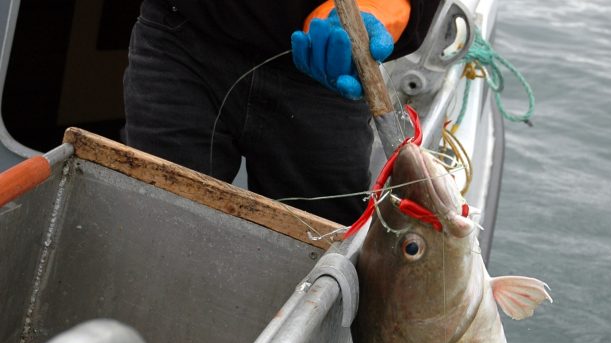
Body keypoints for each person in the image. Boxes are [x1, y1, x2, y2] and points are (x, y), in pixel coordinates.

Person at [123, 0, 440, 225]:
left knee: (321, 249)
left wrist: (379, 8)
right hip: (184, 33)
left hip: (326, 65)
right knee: (155, 218)